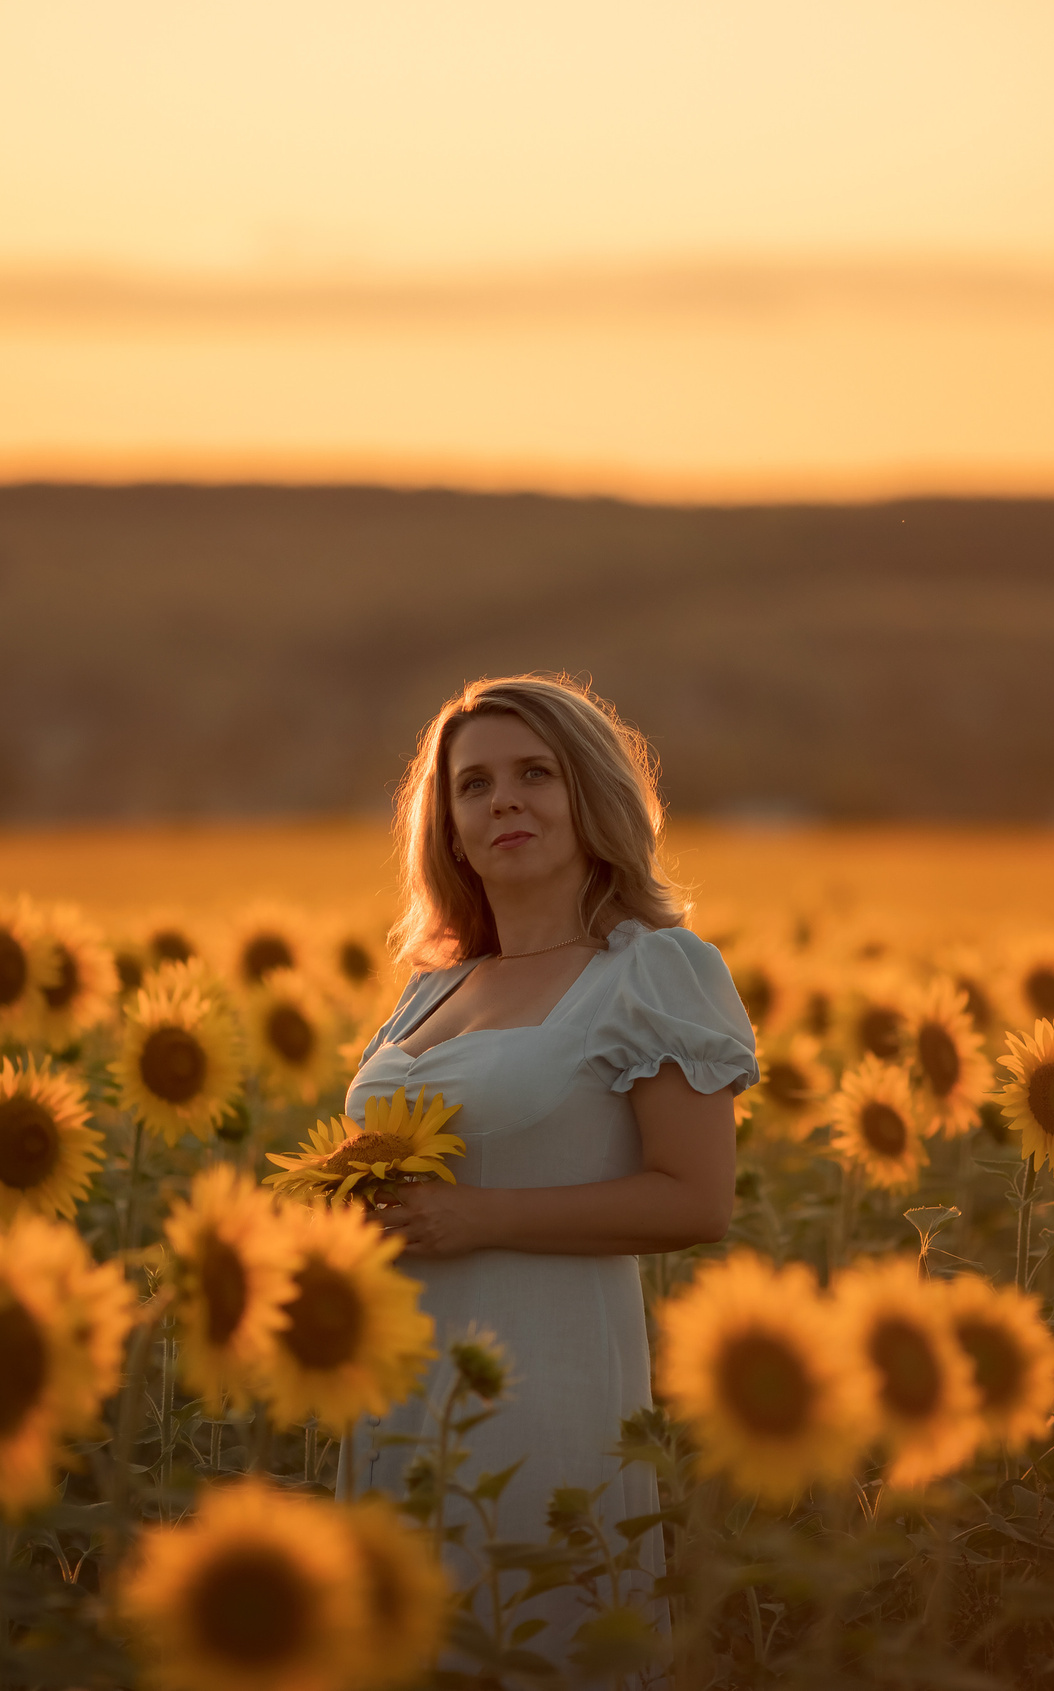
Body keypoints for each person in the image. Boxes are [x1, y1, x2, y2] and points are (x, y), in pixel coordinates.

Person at [343, 671, 758, 1655]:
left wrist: (477, 1219)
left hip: (541, 1388)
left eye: (536, 773)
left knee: (529, 1634)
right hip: (396, 1385)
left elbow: (696, 1202)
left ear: (592, 796)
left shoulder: (652, 969)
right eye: (473, 785)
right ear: (445, 824)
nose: (505, 802)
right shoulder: (433, 991)